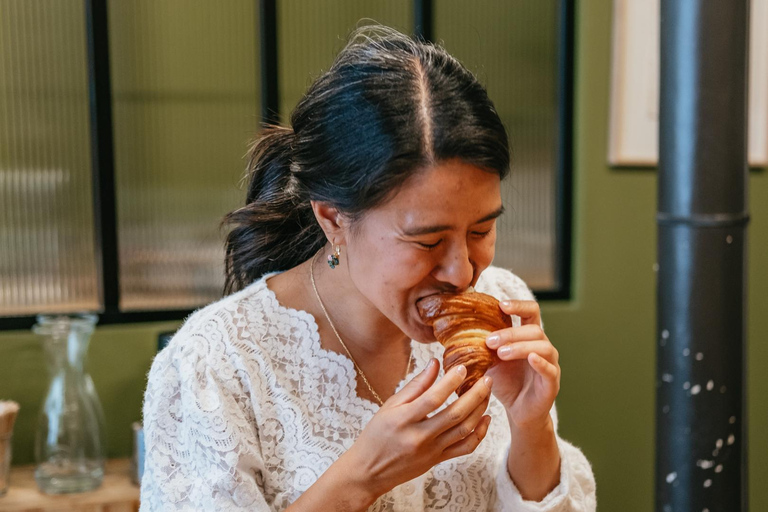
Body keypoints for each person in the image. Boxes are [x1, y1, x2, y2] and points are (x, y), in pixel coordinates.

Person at [140, 25, 596, 511]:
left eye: (481, 231)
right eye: (427, 240)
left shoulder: (500, 309)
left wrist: (531, 425)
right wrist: (362, 476)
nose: (463, 272)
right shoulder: (216, 363)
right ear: (333, 219)